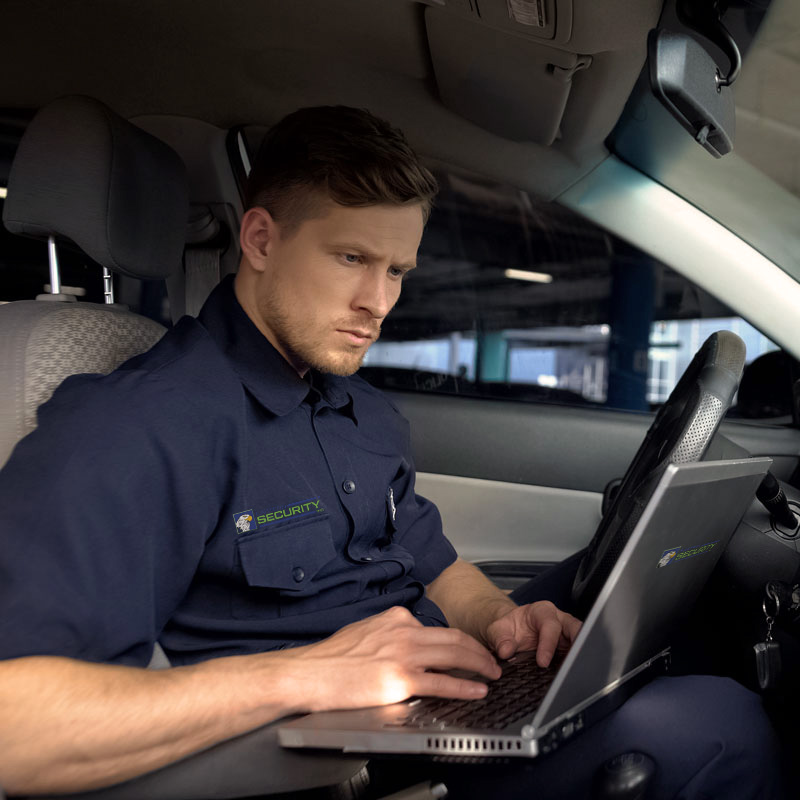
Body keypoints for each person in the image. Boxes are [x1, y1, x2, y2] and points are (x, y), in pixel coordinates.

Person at [0, 106, 786, 799]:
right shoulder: (139, 426)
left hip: (431, 702)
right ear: (261, 238)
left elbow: (426, 556)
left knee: (685, 626)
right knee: (720, 727)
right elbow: (16, 727)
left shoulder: (359, 408)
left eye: (398, 271)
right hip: (326, 759)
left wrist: (499, 621)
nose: (378, 303)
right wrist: (303, 675)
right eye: (351, 259)